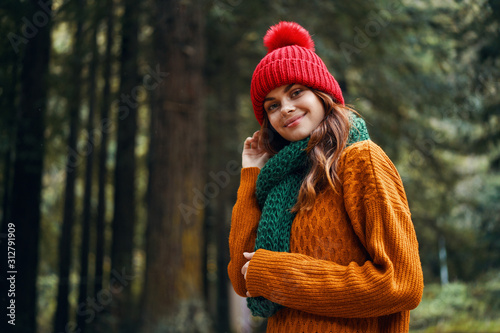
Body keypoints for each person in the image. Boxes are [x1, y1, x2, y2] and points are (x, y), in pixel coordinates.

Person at [227, 21, 424, 332]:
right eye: (273, 105)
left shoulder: (361, 160)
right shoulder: (281, 181)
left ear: (322, 94)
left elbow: (402, 282)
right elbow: (243, 277)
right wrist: (252, 175)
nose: (286, 109)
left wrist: (281, 276)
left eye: (296, 92)